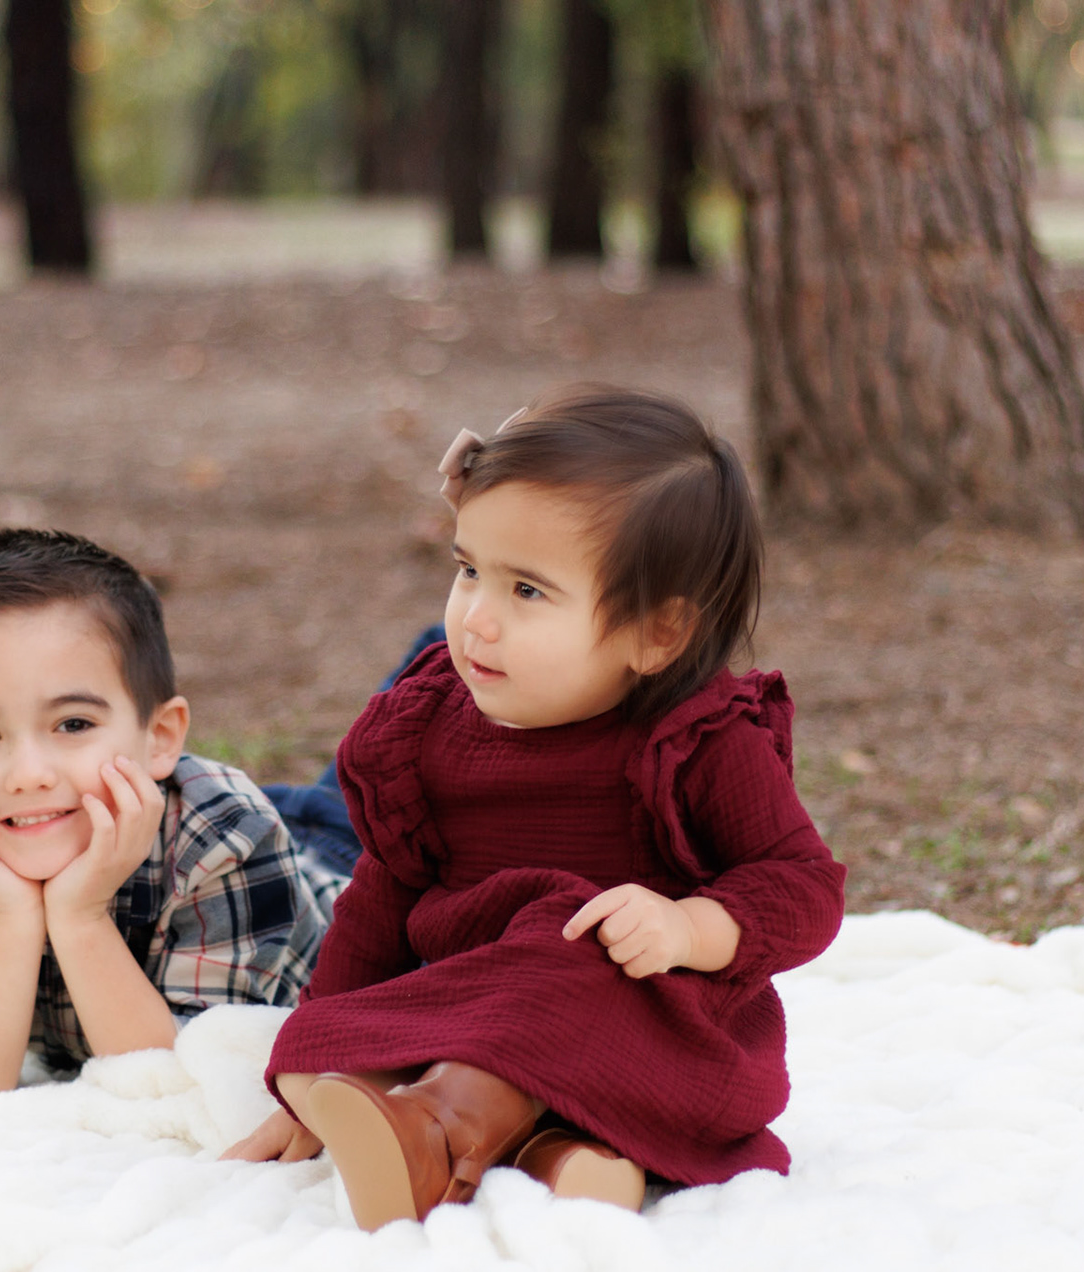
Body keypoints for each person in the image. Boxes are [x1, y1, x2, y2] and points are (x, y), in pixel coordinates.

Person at [223, 384, 847, 1230]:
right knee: (314, 1052)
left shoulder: (696, 741)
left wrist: (689, 927)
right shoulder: (429, 727)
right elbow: (384, 895)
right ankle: (563, 1159)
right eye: (468, 570)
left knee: (568, 930)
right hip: (471, 1007)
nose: (476, 620)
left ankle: (437, 1128)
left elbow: (802, 884)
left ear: (657, 635)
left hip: (651, 1029)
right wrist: (316, 1049)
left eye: (527, 592)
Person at [0, 528, 347, 1101]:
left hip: (333, 853)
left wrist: (81, 917)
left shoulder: (227, 839)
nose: (29, 774)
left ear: (160, 737)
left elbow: (186, 1086)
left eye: (73, 724)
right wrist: (13, 917)